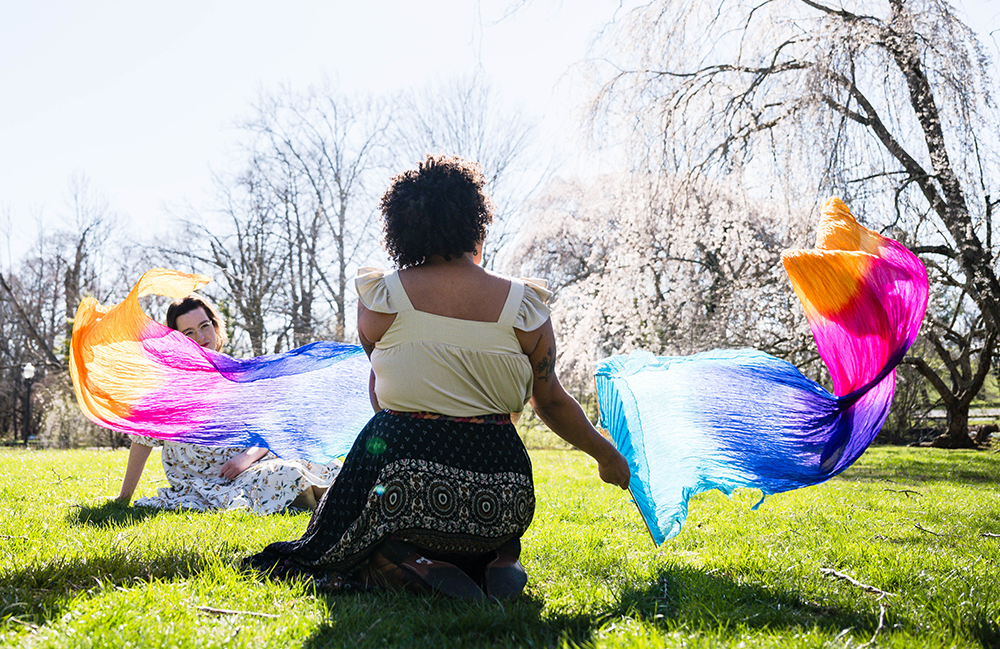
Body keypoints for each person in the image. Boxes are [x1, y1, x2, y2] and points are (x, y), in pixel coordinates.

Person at [245, 154, 629, 600]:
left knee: (349, 524)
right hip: (502, 490)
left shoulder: (380, 300)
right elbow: (551, 402)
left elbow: (381, 394)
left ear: (403, 228)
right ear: (476, 223)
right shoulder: (526, 307)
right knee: (481, 515)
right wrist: (607, 456)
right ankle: (500, 556)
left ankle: (411, 560)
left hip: (411, 486)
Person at [116, 295, 339, 514]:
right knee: (289, 474)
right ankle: (317, 508)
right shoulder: (168, 387)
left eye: (205, 326)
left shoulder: (238, 374)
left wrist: (247, 457)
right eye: (189, 333)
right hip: (214, 483)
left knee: (329, 467)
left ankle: (336, 505)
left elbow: (270, 430)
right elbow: (141, 442)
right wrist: (123, 497)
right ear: (178, 341)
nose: (201, 336)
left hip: (253, 463)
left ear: (215, 327)